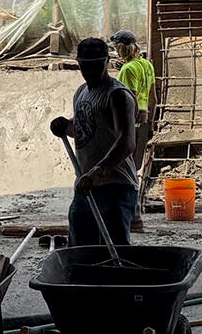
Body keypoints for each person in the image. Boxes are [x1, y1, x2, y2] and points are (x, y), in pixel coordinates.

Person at [51, 36, 140, 249]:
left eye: (96, 65)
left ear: (107, 61)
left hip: (115, 187)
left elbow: (127, 142)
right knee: (81, 249)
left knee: (113, 252)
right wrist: (65, 126)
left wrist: (97, 171)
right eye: (85, 66)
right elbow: (84, 128)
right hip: (86, 186)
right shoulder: (81, 93)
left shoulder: (118, 95)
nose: (90, 70)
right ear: (79, 63)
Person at [112, 29, 158, 232]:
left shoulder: (128, 70)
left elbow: (127, 100)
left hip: (131, 124)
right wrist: (152, 122)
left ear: (122, 47)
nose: (114, 50)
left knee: (124, 170)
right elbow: (153, 98)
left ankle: (132, 217)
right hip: (145, 122)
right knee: (134, 169)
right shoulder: (147, 65)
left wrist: (121, 127)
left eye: (116, 47)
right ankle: (133, 216)